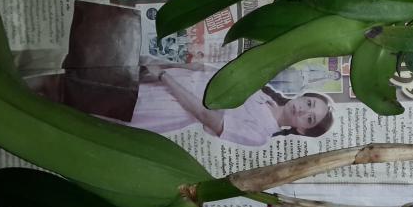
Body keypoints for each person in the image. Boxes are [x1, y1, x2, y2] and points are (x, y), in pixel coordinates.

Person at [128, 66, 335, 146]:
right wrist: (162, 67)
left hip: (164, 105)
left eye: (309, 118)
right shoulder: (260, 93)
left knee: (110, 105)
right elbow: (202, 69)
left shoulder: (259, 134)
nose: (303, 110)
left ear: (301, 130)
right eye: (309, 103)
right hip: (161, 77)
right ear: (303, 96)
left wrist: (163, 76)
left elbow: (204, 114)